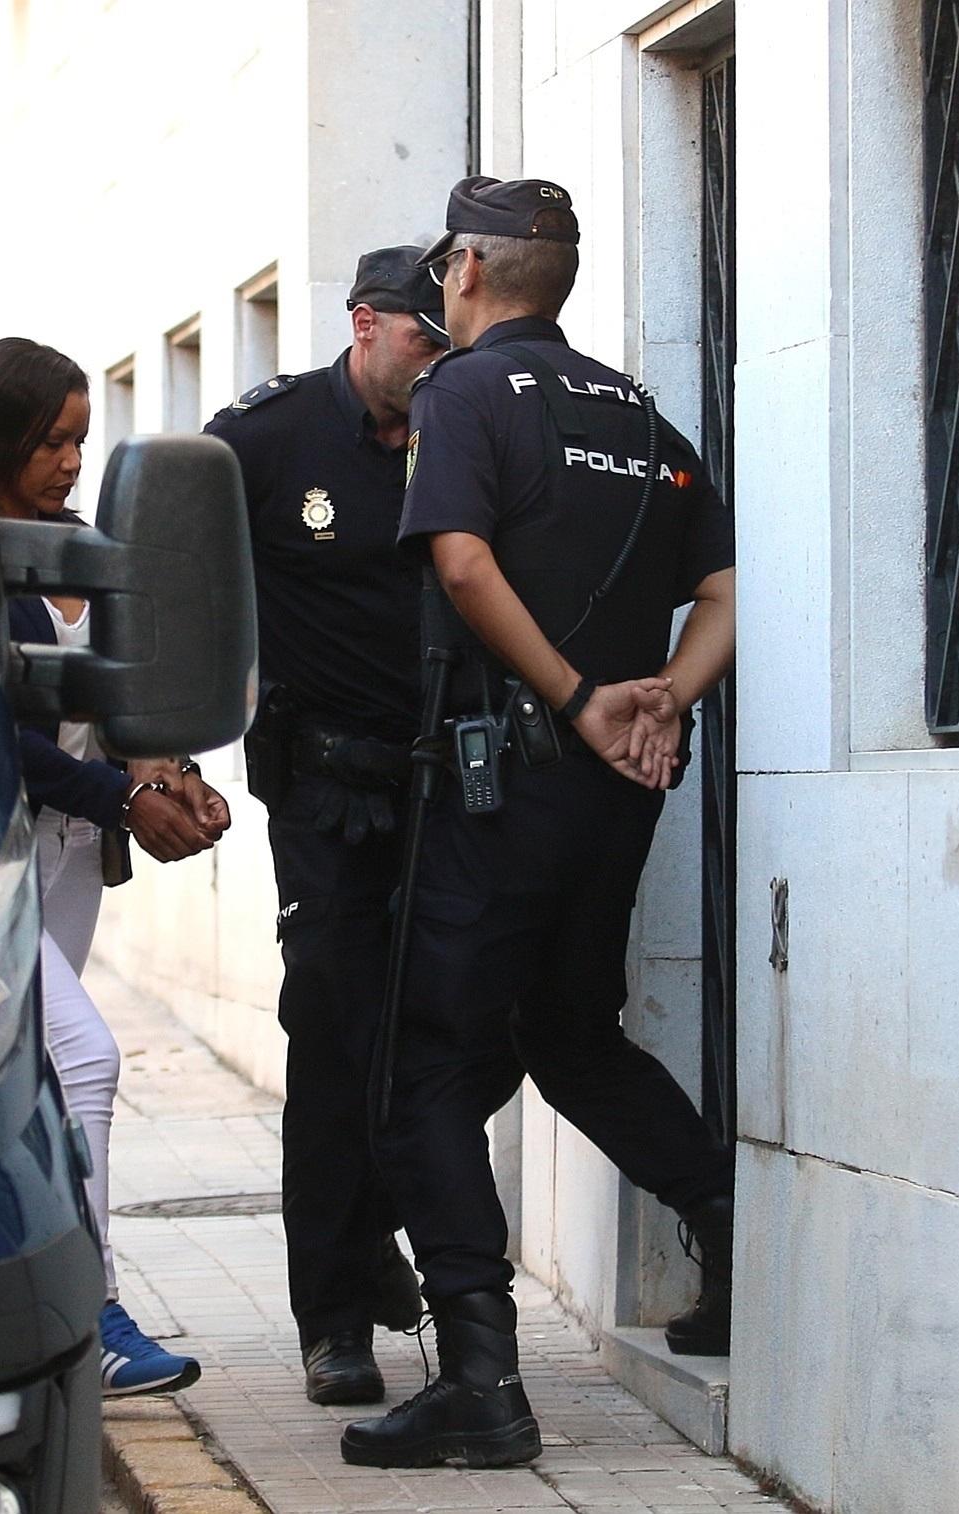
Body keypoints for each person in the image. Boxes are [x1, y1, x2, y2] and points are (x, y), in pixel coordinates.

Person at [339, 178, 737, 1469]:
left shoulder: (460, 394)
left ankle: (479, 1378)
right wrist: (657, 699)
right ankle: (726, 1221)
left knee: (423, 1068)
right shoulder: (638, 411)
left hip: (501, 782)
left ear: (461, 270)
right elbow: (723, 589)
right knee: (569, 1032)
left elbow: (459, 561)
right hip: (613, 796)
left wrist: (572, 700)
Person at [202, 246, 448, 1407]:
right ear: (364, 323)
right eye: (422, 337)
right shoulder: (266, 437)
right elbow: (169, 575)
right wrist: (159, 736)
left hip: (451, 788)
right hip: (327, 792)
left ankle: (383, 1238)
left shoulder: (467, 429)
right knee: (337, 1031)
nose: (439, 357)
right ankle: (335, 1314)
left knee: (446, 1034)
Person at [0, 337, 233, 1397]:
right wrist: (125, 795)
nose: (69, 460)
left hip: (69, 861)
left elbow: (132, 700)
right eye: (49, 439)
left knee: (23, 1085)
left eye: (80, 438)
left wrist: (173, 768)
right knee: (83, 1058)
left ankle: (12, 1311)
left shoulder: (89, 550)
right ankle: (93, 1310)